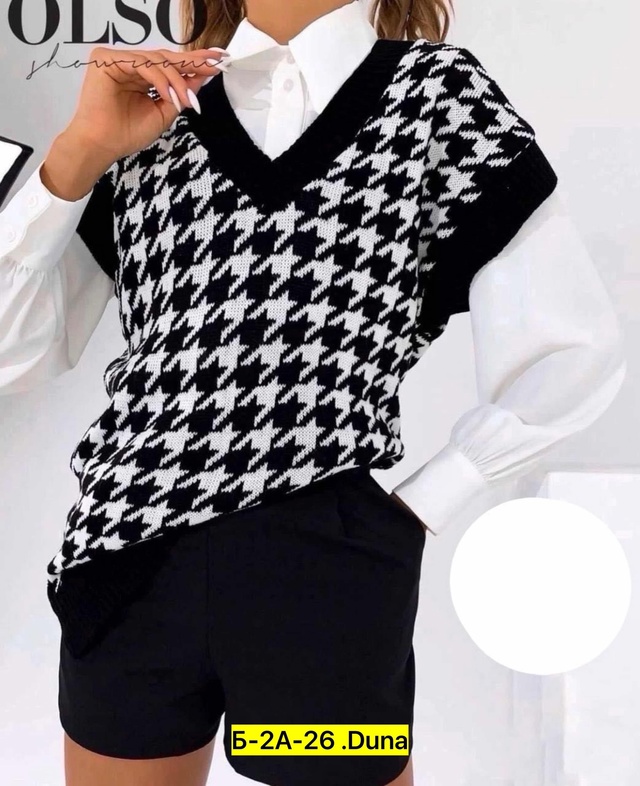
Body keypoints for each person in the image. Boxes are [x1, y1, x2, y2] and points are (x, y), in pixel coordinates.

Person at [0, 0, 626, 784]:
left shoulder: (435, 97)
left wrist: (418, 505)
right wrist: (77, 153)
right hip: (127, 560)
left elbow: (572, 346)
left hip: (323, 572)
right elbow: (11, 354)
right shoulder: (146, 111)